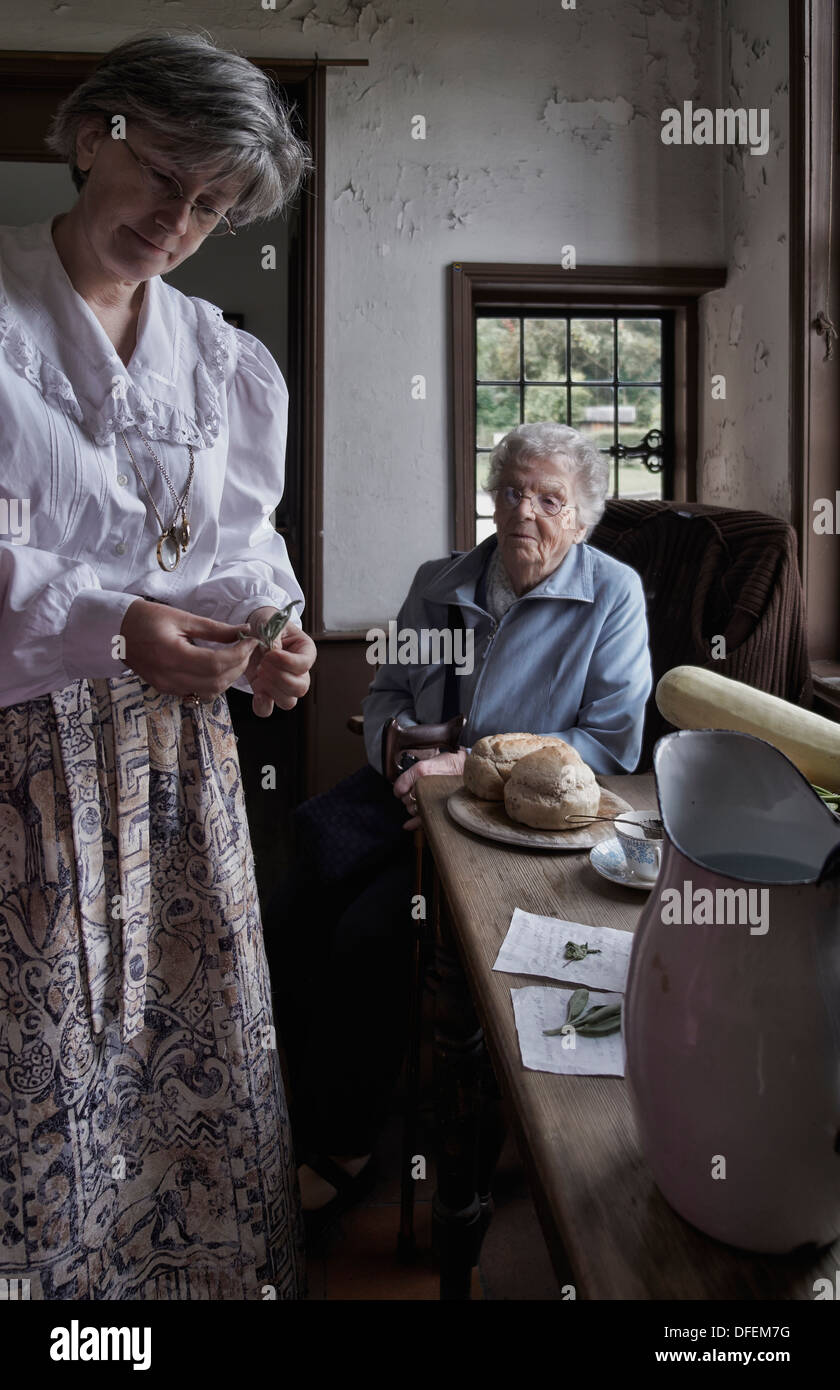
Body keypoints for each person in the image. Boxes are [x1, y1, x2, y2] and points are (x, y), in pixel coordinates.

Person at [0, 32, 317, 1299]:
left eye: (215, 207)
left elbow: (241, 551)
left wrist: (277, 641)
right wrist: (113, 620)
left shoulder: (225, 361)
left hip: (175, 767)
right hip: (24, 766)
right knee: (40, 1050)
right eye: (166, 179)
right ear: (96, 135)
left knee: (176, 1048)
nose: (181, 223)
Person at [267, 420, 651, 1231]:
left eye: (551, 499)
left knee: (372, 934)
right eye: (512, 491)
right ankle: (285, 1102)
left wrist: (465, 772)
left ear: (581, 516)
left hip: (506, 823)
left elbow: (612, 742)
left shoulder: (611, 592)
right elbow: (385, 698)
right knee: (296, 892)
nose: (526, 513)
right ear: (492, 497)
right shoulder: (441, 581)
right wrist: (400, 763)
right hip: (405, 793)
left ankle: (346, 1141)